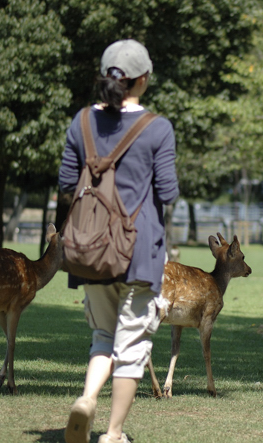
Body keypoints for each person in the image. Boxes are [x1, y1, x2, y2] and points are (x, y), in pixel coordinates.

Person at [60, 39, 179, 443]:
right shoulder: (157, 128)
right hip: (140, 252)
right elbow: (167, 191)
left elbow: (65, 185)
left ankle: (87, 398)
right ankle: (112, 434)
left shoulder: (81, 123)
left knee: (103, 337)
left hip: (92, 251)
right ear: (142, 80)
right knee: (132, 345)